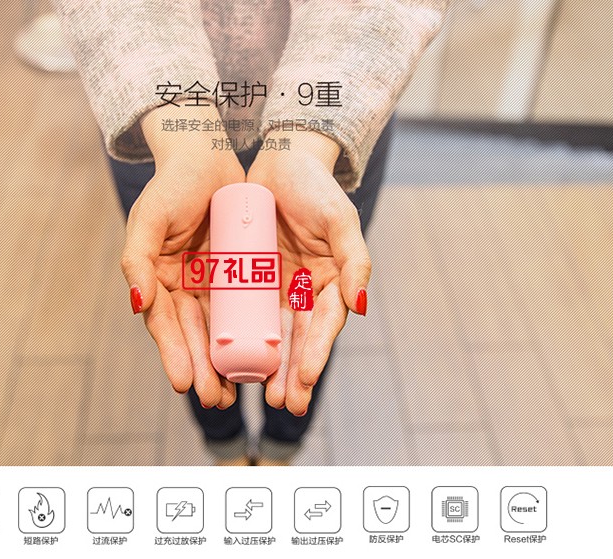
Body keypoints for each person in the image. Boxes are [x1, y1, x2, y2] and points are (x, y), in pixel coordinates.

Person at [54, 0, 448, 465]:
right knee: (181, 296)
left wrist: (307, 139)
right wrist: (183, 131)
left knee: (314, 287)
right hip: (161, 115)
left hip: (335, 101)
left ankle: (281, 447)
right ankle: (227, 448)